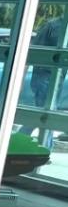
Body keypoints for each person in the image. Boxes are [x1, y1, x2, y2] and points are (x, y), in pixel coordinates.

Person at [31, 11, 65, 151]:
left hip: (57, 78)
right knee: (46, 113)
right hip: (43, 76)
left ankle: (14, 140)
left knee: (44, 114)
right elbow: (36, 49)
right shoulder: (52, 26)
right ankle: (46, 149)